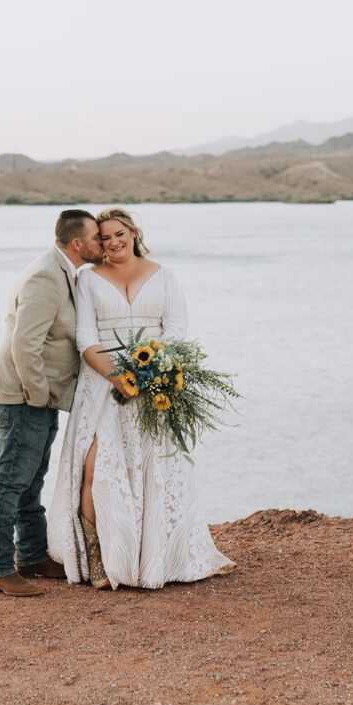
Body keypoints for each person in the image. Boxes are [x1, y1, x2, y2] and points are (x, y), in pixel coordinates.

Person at [48, 207, 235, 589]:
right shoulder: (87, 279)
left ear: (133, 233)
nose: (113, 242)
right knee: (95, 467)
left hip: (155, 383)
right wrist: (118, 377)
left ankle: (156, 558)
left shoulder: (163, 275)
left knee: (154, 466)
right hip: (102, 384)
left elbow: (177, 327)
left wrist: (153, 370)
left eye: (119, 233)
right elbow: (85, 337)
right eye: (103, 238)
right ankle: (100, 557)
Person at [0, 209, 104, 597]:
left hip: (39, 396)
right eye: (97, 237)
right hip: (22, 396)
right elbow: (25, 344)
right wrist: (38, 397)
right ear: (77, 243)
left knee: (32, 478)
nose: (103, 243)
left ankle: (31, 556)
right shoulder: (45, 276)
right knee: (10, 481)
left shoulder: (63, 271)